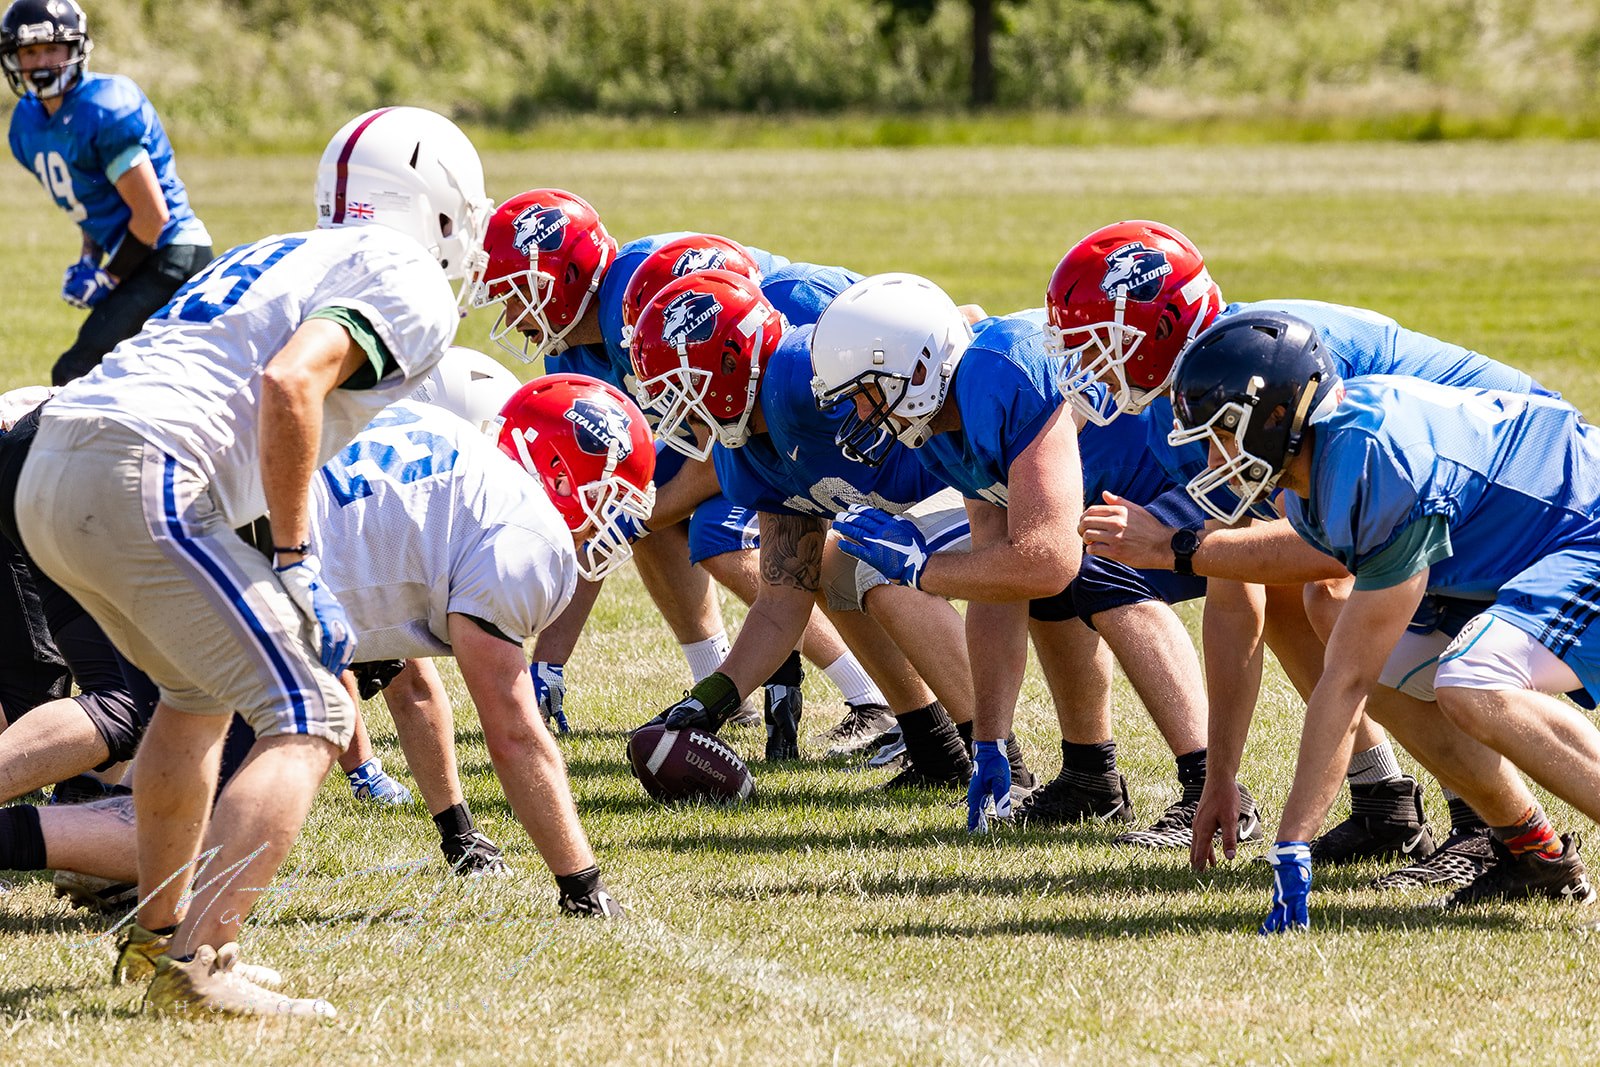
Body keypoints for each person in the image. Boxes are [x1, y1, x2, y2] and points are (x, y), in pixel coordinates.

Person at [5, 105, 490, 1018]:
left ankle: (157, 940)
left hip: (55, 460)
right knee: (312, 704)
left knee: (194, 697)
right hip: (141, 467)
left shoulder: (277, 249)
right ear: (439, 208)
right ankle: (203, 960)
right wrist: (300, 559)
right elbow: (290, 382)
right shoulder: (406, 278)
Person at [1054, 219, 1558, 881]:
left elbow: (1332, 551)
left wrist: (1176, 548)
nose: (1089, 365)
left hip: (1521, 491)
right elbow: (1239, 590)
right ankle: (1383, 800)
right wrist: (1219, 773)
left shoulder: (1279, 364)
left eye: (1103, 344)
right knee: (1287, 582)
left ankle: (1487, 823)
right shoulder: (1191, 400)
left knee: (1328, 592)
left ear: (1161, 326)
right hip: (1445, 499)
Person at [1169, 309, 1600, 929]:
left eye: (1224, 433)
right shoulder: (1321, 462)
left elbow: (1341, 683)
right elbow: (1340, 630)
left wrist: (1291, 843)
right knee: (1391, 669)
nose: (1215, 458)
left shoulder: (1372, 461)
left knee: (1473, 680)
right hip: (1523, 548)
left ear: (1271, 417)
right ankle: (1536, 855)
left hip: (1583, 531)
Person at [468, 192, 886, 742]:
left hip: (811, 384)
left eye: (519, 294)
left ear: (564, 276)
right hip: (748, 407)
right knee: (641, 504)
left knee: (718, 532)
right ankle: (716, 682)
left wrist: (640, 513)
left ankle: (869, 698)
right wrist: (549, 657)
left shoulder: (640, 308)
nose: (512, 315)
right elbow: (601, 501)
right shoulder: (573, 348)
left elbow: (719, 454)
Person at [630, 269, 1008, 787]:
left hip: (979, 476)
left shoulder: (811, 375)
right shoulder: (747, 450)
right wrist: (713, 698)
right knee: (835, 564)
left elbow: (951, 335)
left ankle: (997, 753)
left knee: (876, 563)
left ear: (727, 367)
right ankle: (937, 747)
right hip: (914, 499)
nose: (673, 408)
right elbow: (783, 598)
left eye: (682, 387)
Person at [2, 0, 213, 385]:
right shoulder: (26, 126)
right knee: (130, 377)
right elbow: (90, 201)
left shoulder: (106, 106)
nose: (42, 62)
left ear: (76, 48)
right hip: (138, 256)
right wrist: (89, 258)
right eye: (30, 52)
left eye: (52, 48)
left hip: (171, 255)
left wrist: (107, 278)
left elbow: (153, 216)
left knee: (78, 372)